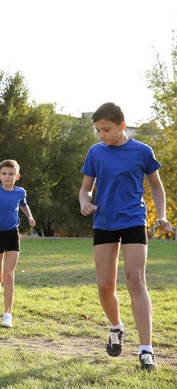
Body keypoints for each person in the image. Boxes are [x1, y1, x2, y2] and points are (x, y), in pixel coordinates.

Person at [79, 102, 172, 371]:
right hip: (105, 221)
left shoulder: (142, 151)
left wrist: (162, 215)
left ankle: (146, 350)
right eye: (97, 130)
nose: (101, 135)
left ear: (122, 124)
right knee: (105, 285)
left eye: (106, 129)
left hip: (133, 219)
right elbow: (85, 189)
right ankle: (117, 327)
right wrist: (85, 203)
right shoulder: (95, 152)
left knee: (135, 279)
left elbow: (156, 186)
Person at [0, 159, 36, 329]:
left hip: (12, 234)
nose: (7, 177)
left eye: (11, 174)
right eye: (4, 174)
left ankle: (7, 314)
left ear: (17, 176)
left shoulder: (20, 192)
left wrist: (29, 217)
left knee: (9, 274)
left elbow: (23, 205)